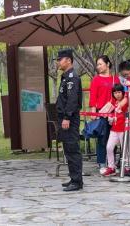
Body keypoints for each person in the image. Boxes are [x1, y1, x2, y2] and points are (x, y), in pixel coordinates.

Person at [55, 48, 83, 192]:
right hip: (64, 118)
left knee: (73, 149)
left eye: (60, 59)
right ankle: (73, 178)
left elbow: (72, 100)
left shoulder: (72, 77)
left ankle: (77, 181)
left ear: (68, 60)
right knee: (68, 149)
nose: (58, 62)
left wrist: (67, 117)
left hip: (69, 119)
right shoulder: (65, 76)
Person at [88, 55, 120, 171]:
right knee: (102, 137)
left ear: (108, 64)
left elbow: (120, 94)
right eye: (97, 64)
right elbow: (93, 96)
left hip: (115, 112)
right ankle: (101, 162)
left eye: (100, 64)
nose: (98, 66)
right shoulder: (96, 79)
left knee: (114, 138)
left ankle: (111, 162)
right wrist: (93, 112)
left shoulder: (115, 79)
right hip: (101, 112)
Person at [102, 84, 128, 177]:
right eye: (115, 93)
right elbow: (105, 113)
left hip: (123, 129)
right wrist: (110, 117)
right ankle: (111, 167)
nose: (117, 94)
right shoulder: (113, 102)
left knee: (125, 149)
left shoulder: (126, 102)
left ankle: (127, 167)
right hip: (114, 129)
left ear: (122, 92)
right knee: (109, 147)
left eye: (119, 92)